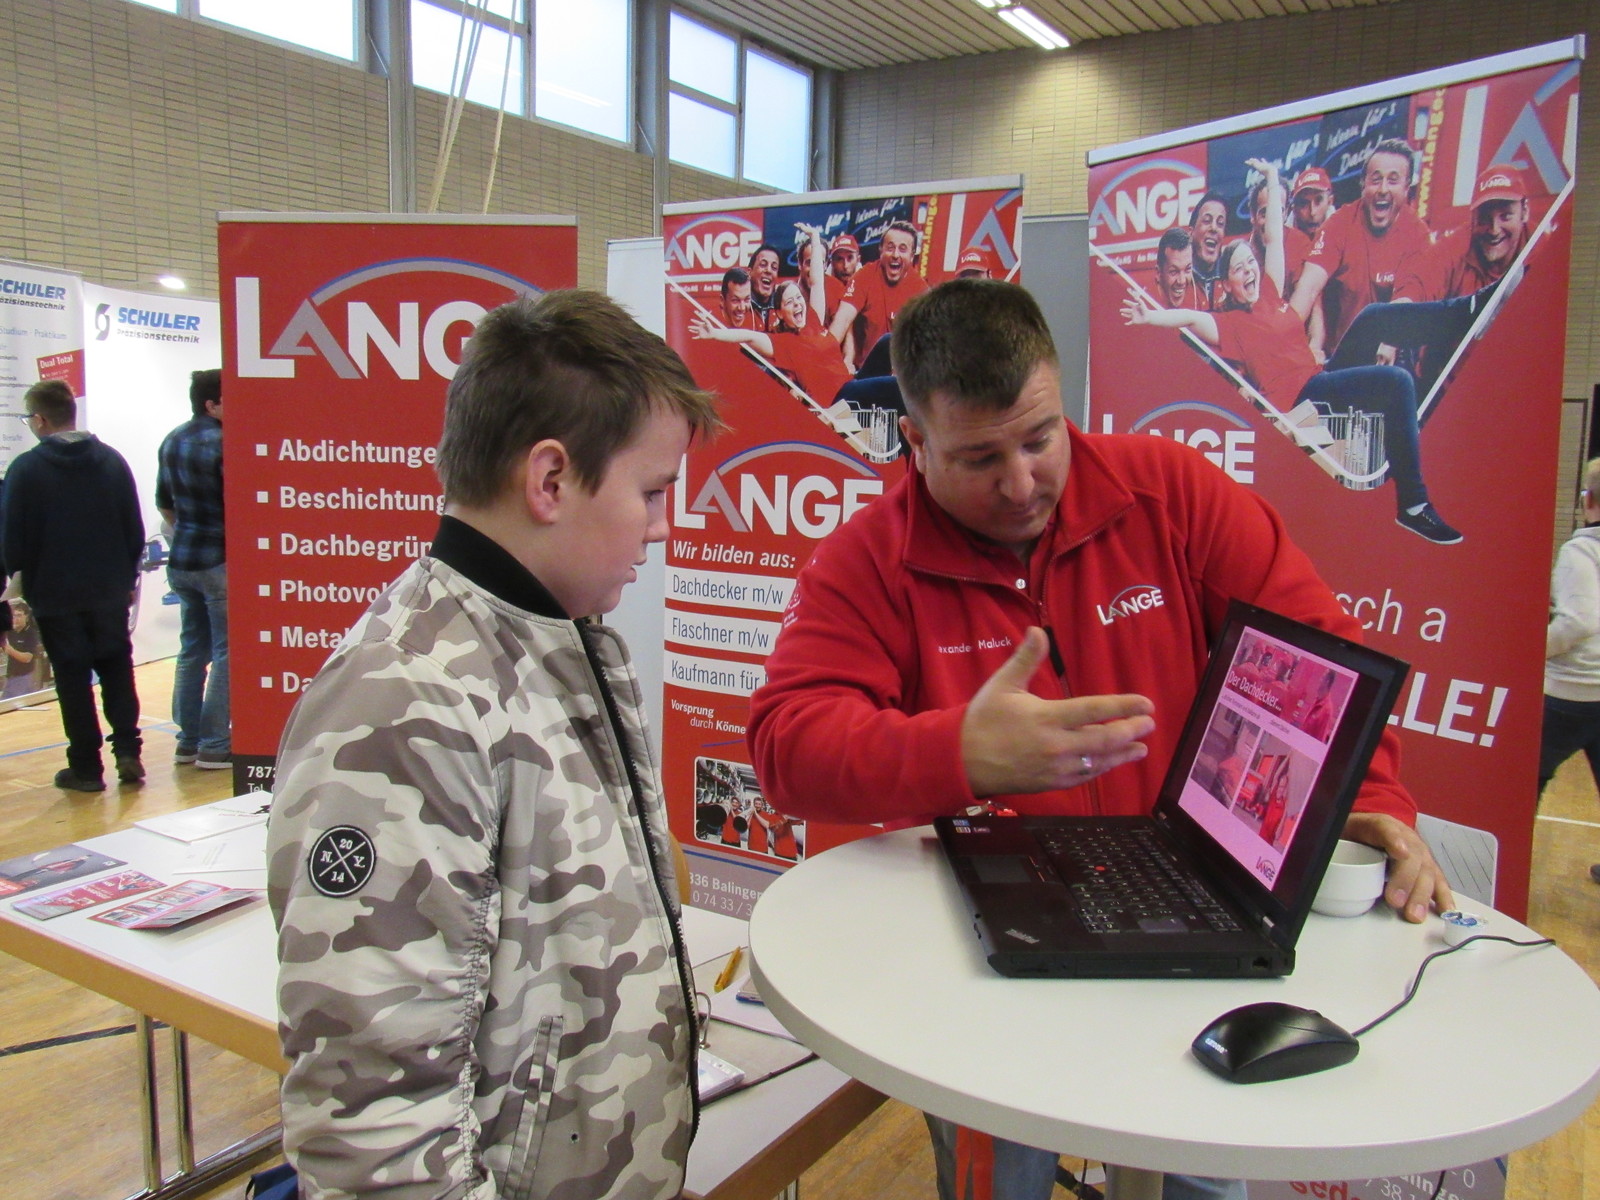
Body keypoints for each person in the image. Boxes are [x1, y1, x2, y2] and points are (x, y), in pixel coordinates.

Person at [748, 276, 1450, 1200]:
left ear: (1061, 399)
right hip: (984, 960)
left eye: (1041, 438)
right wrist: (960, 753)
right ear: (913, 441)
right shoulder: (867, 560)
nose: (1021, 483)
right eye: (979, 457)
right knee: (1003, 1179)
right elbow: (787, 746)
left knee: (1201, 1174)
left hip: (1187, 925)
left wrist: (1365, 803)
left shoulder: (1171, 495)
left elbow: (1319, 662)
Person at [266, 291, 722, 1200]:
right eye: (651, 492)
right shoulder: (404, 703)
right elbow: (375, 1127)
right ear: (550, 480)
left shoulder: (563, 641)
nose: (663, 526)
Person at [1122, 159, 1467, 545]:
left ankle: (1464, 311)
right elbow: (1188, 316)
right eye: (1239, 269)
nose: (1249, 271)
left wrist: (1273, 178)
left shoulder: (1270, 291)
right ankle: (1414, 505)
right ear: (1227, 283)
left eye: (1250, 264)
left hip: (1321, 378)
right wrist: (1151, 317)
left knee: (1372, 317)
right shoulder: (1228, 324)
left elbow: (1273, 237)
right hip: (1301, 399)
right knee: (1397, 382)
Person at [2, 380, 144, 792]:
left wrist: (20, 577)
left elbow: (12, 538)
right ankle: (128, 751)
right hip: (108, 589)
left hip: (55, 592)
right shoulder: (112, 461)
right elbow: (133, 528)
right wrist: (126, 578)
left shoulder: (26, 469)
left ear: (40, 419)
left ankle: (86, 767)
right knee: (117, 668)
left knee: (71, 677)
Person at [1289, 139, 1432, 358]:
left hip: (1392, 352)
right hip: (1341, 357)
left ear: (1406, 188)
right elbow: (1308, 288)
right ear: (1363, 184)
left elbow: (1407, 297)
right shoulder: (1339, 223)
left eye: (1393, 181)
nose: (1383, 189)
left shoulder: (1418, 234)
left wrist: (1391, 339)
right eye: (1376, 180)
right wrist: (1280, 337)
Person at [155, 368, 230, 769]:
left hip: (181, 560)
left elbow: (164, 504)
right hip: (217, 561)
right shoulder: (226, 444)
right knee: (226, 653)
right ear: (212, 404)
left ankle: (187, 741)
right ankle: (216, 745)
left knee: (191, 651)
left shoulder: (171, 440)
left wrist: (187, 527)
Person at [1540, 456, 1600, 884]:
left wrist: (1533, 655)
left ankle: (1499, 869)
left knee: (1526, 781)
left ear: (1588, 500)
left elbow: (1579, 620)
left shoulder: (1581, 550)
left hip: (1571, 692)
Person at [829, 219, 930, 366]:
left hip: (902, 371)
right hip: (865, 370)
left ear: (912, 255)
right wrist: (822, 358)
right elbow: (842, 320)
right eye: (890, 248)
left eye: (903, 249)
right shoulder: (864, 276)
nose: (895, 255)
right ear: (880, 250)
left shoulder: (921, 291)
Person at [1187, 191, 1229, 307]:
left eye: (1220, 223)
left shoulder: (1232, 280)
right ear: (1190, 233)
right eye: (1207, 221)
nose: (1214, 228)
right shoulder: (1178, 280)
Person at [1153, 227, 1207, 310]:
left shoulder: (1200, 297)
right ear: (1159, 273)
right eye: (1174, 272)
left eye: (1187, 269)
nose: (1182, 281)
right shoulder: (1143, 302)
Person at [1289, 166, 1334, 241]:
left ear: (1329, 202)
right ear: (1294, 208)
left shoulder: (1345, 236)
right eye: (1303, 203)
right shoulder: (1280, 239)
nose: (1312, 212)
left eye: (1318, 201)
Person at [748, 242, 783, 330]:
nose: (769, 270)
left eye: (774, 267)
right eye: (763, 265)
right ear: (749, 272)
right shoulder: (738, 307)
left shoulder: (783, 309)